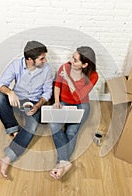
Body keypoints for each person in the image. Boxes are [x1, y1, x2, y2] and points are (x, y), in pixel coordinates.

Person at [0, 41, 53, 179]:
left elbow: (47, 91)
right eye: (42, 58)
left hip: (34, 102)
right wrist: (9, 92)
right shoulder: (16, 65)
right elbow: (0, 85)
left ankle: (7, 158)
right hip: (17, 99)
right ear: (30, 60)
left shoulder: (47, 68)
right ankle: (14, 130)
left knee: (32, 126)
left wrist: (38, 105)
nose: (45, 60)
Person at [49, 46, 99, 180]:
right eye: (72, 57)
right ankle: (64, 163)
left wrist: (69, 80)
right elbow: (57, 85)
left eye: (75, 60)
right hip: (64, 102)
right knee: (54, 126)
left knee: (71, 132)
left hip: (80, 104)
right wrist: (57, 101)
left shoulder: (93, 76)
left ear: (85, 64)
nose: (71, 61)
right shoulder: (65, 67)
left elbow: (79, 97)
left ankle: (60, 164)